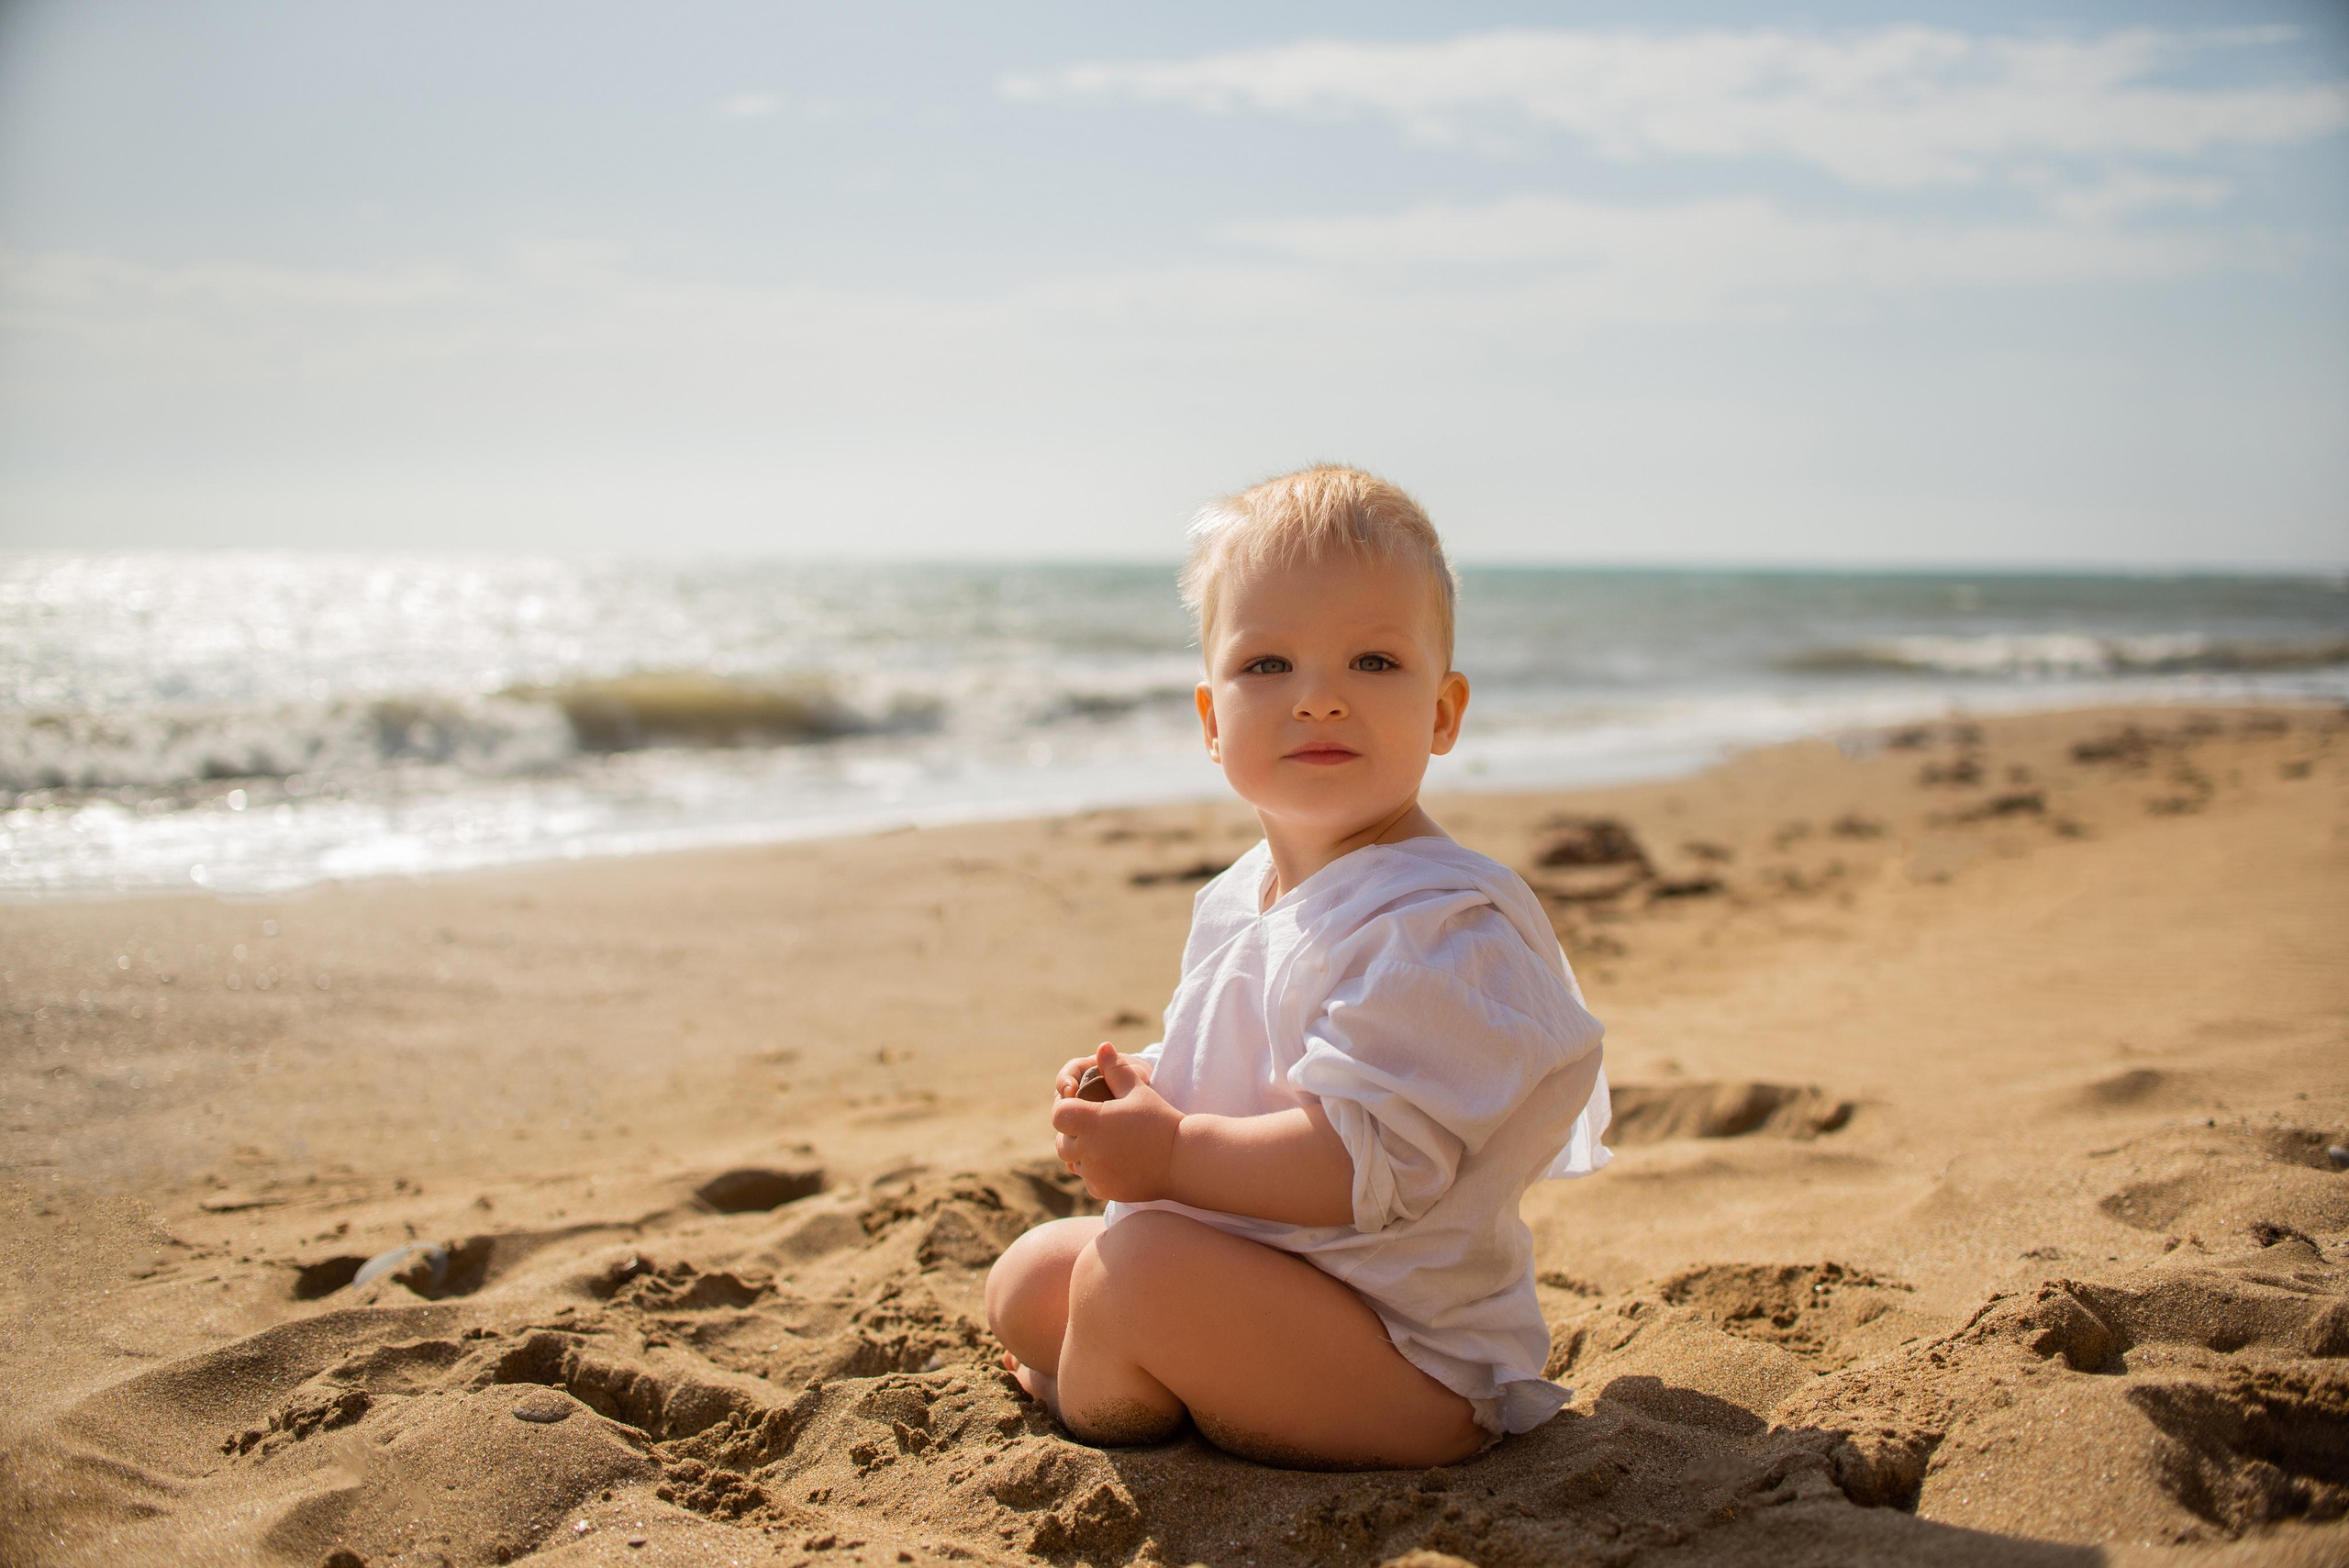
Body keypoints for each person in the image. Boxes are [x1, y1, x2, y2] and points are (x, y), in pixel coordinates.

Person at [984, 466, 1610, 1470]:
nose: (1318, 699)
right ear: (1210, 717)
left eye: (1372, 660)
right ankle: (1129, 1364)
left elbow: (1362, 1164)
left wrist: (1174, 1150)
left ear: (1443, 713)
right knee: (1028, 1275)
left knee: (1134, 1269)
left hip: (1406, 1363)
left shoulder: (1436, 928)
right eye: (1267, 665)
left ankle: (1100, 1393)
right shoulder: (1243, 892)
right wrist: (1145, 1087)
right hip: (1274, 1279)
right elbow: (1256, 1049)